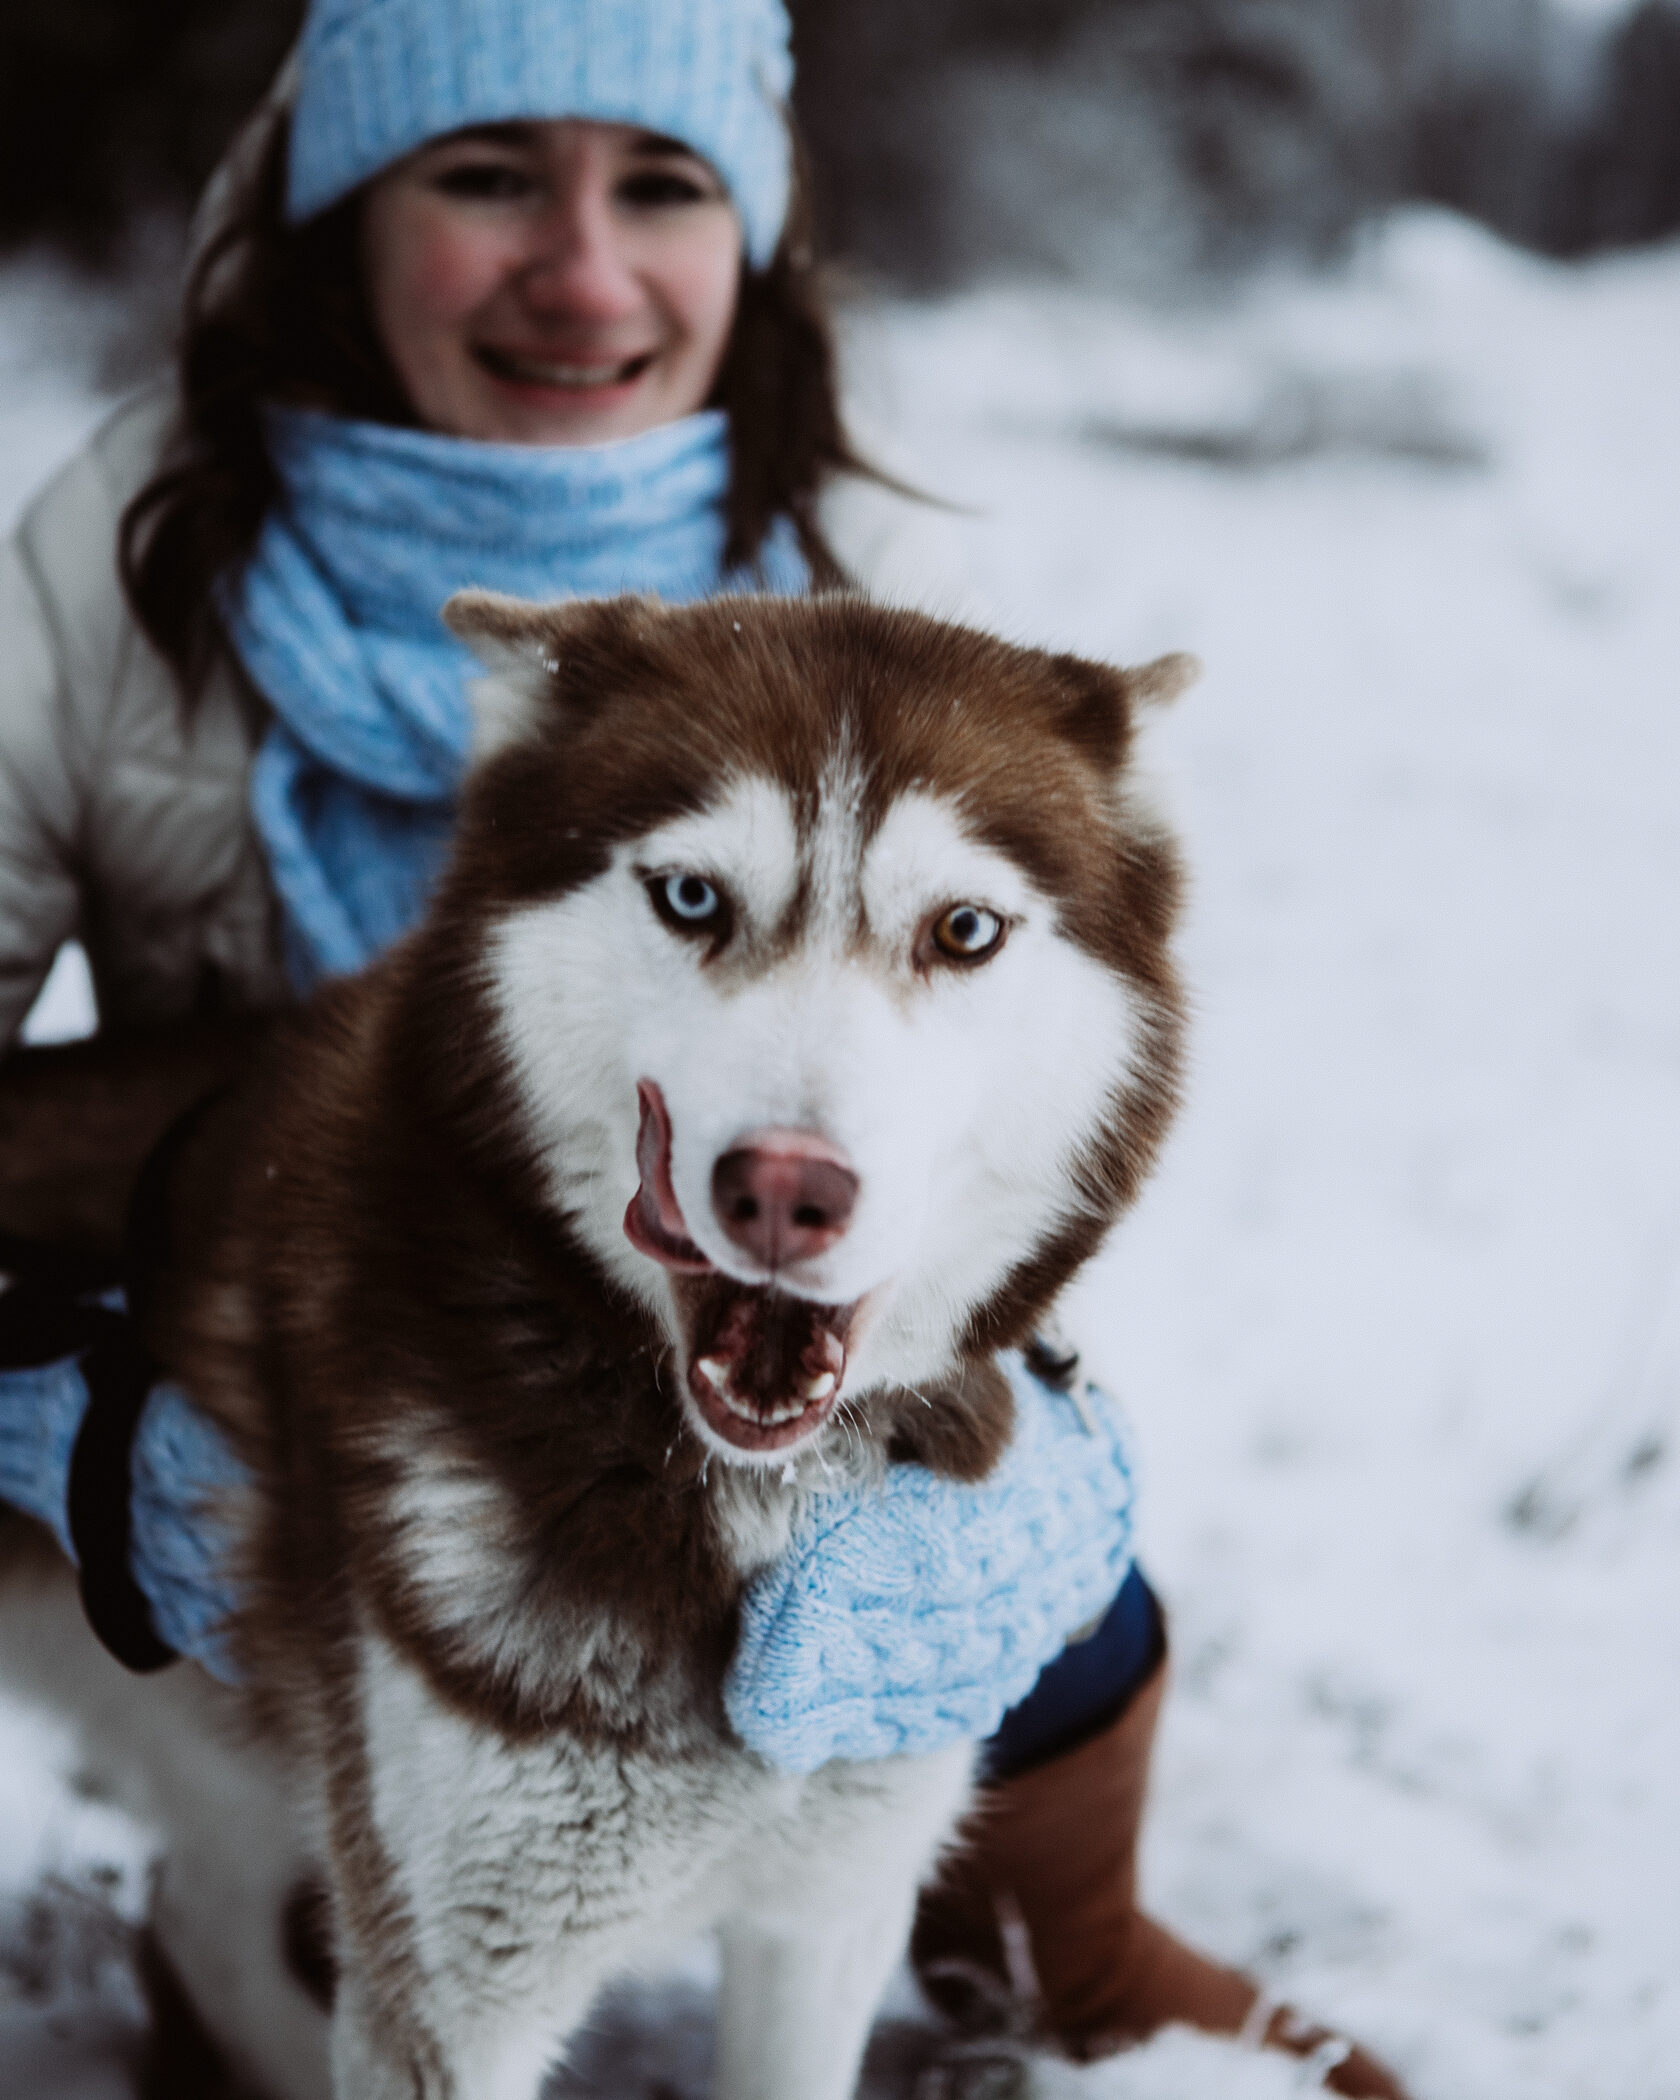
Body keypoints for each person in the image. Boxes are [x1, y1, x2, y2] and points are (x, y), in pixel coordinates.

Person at [0, 4, 1411, 2096]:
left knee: (1024, 1601)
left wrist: (1055, 1455)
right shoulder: (125, 553)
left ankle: (1072, 1944)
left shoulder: (876, 583)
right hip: (235, 1299)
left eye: (659, 187)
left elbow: (987, 1099)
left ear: (750, 236)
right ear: (340, 217)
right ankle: (233, 1906)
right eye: (486, 176)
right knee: (334, 1961)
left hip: (722, 1330)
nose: (581, 272)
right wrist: (58, 1397)